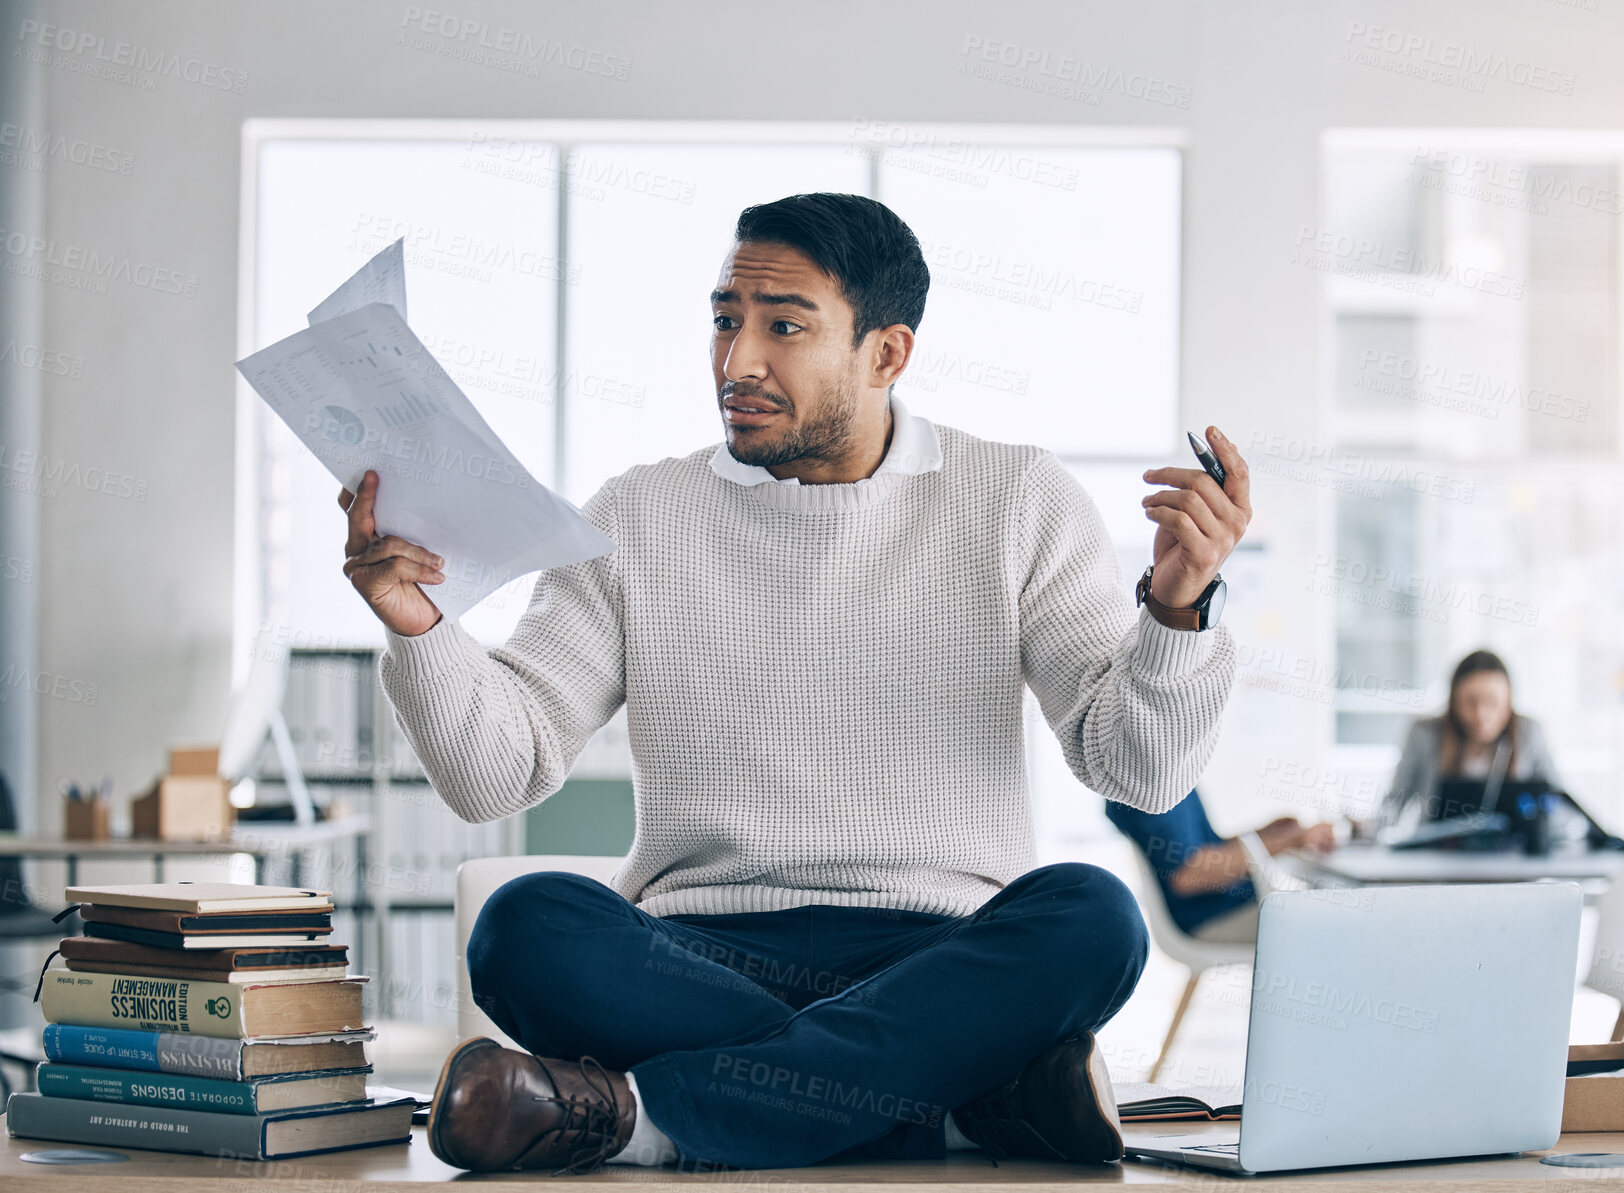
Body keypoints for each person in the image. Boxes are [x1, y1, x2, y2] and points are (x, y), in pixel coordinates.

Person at [340, 193, 1251, 1173]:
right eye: (725, 319)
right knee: (522, 927)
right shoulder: (639, 513)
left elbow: (1137, 773)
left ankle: (636, 1115)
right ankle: (953, 1101)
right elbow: (496, 775)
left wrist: (1173, 613)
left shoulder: (1015, 499)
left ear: (886, 353)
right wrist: (422, 629)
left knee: (1092, 916)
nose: (737, 362)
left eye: (783, 326)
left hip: (937, 953)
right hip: (695, 952)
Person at [1104, 789, 1334, 944]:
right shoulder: (1146, 788)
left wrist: (1266, 834)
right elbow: (1189, 876)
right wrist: (1291, 841)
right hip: (1209, 918)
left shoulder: (1171, 774)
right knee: (1333, 925)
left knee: (1331, 909)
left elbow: (1209, 850)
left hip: (1233, 905)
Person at [1375, 649, 1559, 834]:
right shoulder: (1424, 734)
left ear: (1508, 702)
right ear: (1453, 701)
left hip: (1512, 857)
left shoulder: (1528, 732)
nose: (1481, 715)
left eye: (1492, 702)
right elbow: (1395, 801)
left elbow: (1558, 801)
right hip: (1437, 854)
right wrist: (1371, 829)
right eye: (1470, 702)